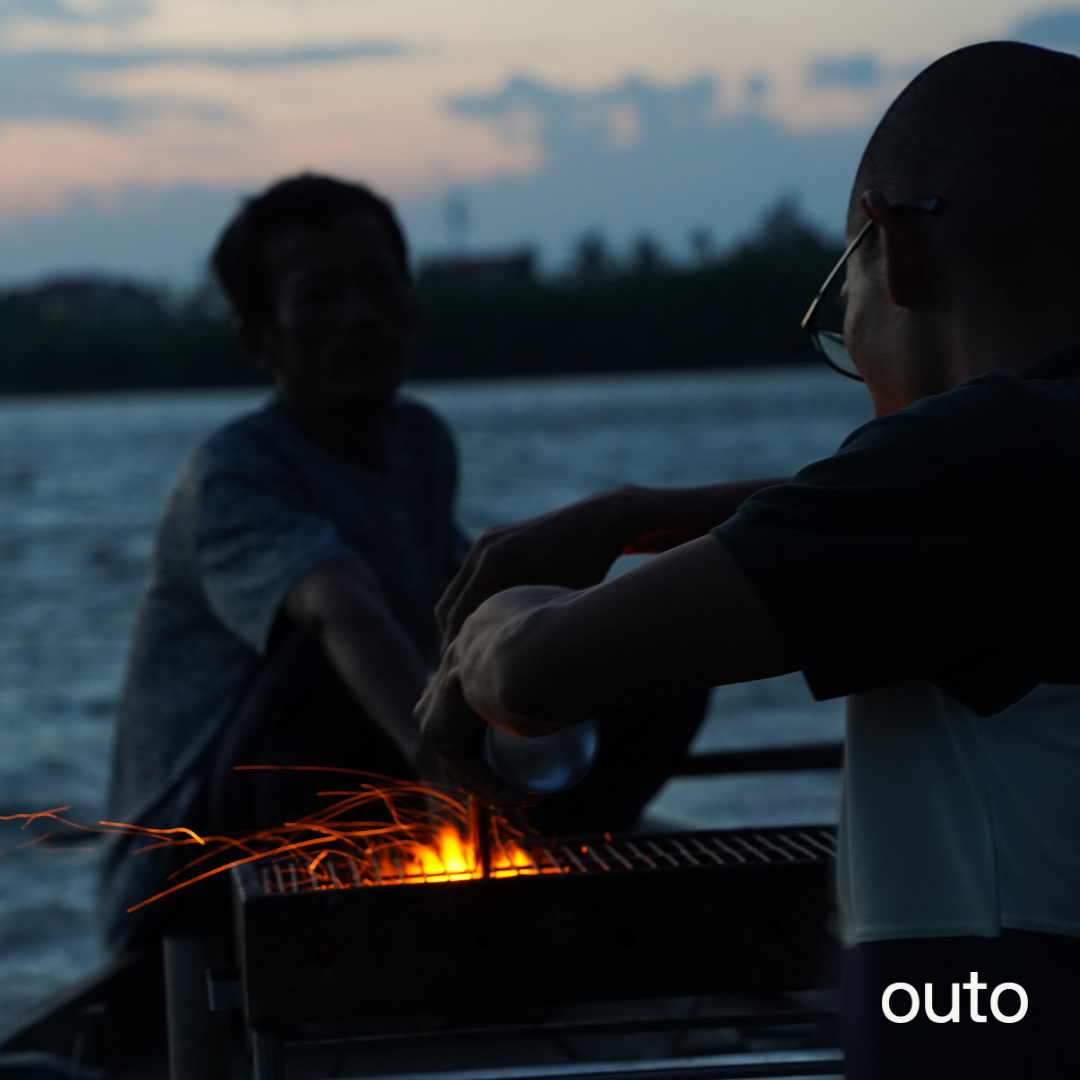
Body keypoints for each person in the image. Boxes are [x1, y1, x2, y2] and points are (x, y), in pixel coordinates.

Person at [418, 43, 1080, 1078]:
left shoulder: (985, 455)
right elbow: (952, 530)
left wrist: (487, 636)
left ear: (895, 247)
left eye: (839, 312)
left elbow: (536, 671)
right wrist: (644, 514)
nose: (852, 360)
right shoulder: (1027, 470)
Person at [100, 174, 470, 951]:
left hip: (375, 802)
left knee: (623, 658)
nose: (360, 316)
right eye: (320, 296)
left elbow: (464, 605)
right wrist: (439, 766)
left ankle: (506, 909)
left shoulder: (421, 445)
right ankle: (327, 959)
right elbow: (338, 603)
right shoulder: (233, 473)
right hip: (189, 876)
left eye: (377, 284)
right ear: (257, 339)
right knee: (318, 664)